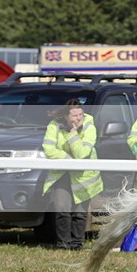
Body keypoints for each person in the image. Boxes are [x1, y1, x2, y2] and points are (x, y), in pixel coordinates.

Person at [41, 99, 103, 250]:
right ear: (66, 117)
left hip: (84, 177)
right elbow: (48, 149)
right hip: (61, 174)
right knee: (62, 208)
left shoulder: (89, 125)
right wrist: (67, 159)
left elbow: (82, 154)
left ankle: (77, 244)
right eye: (75, 116)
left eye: (81, 114)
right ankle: (63, 244)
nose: (79, 118)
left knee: (80, 213)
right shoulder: (54, 126)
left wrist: (73, 134)